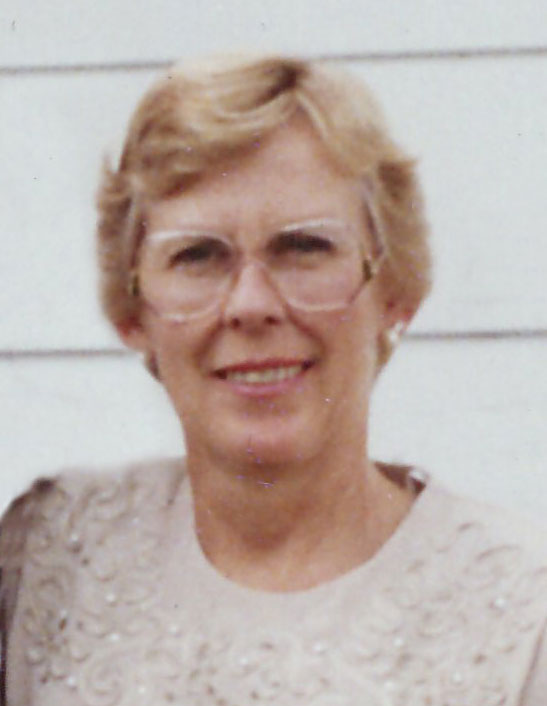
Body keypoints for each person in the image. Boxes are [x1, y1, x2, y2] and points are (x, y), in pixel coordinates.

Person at [1, 54, 545, 706]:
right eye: (197, 255)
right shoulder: (45, 559)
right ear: (133, 312)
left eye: (303, 248)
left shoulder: (521, 613)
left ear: (395, 291)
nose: (250, 304)